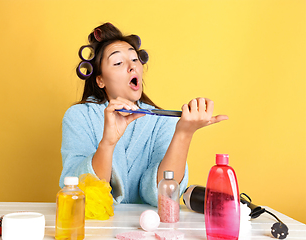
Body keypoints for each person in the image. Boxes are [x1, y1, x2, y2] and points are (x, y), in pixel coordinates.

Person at [59, 23, 228, 206]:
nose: (132, 67)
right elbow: (79, 192)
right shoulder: (78, 116)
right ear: (100, 80)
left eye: (134, 59)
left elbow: (162, 197)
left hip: (148, 228)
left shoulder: (161, 121)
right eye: (118, 62)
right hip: (96, 226)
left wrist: (184, 133)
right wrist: (107, 143)